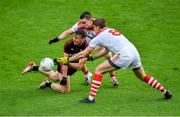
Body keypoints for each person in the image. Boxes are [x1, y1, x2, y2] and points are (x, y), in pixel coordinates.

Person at [56, 18, 172, 103]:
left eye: (95, 28)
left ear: (97, 27)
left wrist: (67, 60)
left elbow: (83, 53)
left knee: (98, 70)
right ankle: (165, 92)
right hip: (134, 52)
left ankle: (91, 98)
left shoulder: (99, 37)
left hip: (124, 54)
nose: (94, 31)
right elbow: (106, 50)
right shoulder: (112, 30)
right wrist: (93, 58)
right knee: (143, 76)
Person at [49, 11, 119, 86]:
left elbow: (104, 43)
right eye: (80, 22)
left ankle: (113, 77)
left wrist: (92, 49)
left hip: (98, 44)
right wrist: (57, 38)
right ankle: (87, 75)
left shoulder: (98, 27)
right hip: (84, 45)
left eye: (84, 22)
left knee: (108, 56)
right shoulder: (80, 25)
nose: (82, 25)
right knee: (80, 61)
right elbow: (68, 32)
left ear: (91, 20)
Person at [21, 29, 92, 93]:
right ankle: (47, 84)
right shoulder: (68, 44)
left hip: (71, 67)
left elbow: (80, 66)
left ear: (83, 39)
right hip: (64, 67)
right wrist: (64, 76)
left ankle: (34, 67)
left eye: (77, 38)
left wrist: (68, 63)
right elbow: (64, 61)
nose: (74, 39)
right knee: (65, 90)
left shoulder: (86, 49)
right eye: (74, 37)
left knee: (54, 77)